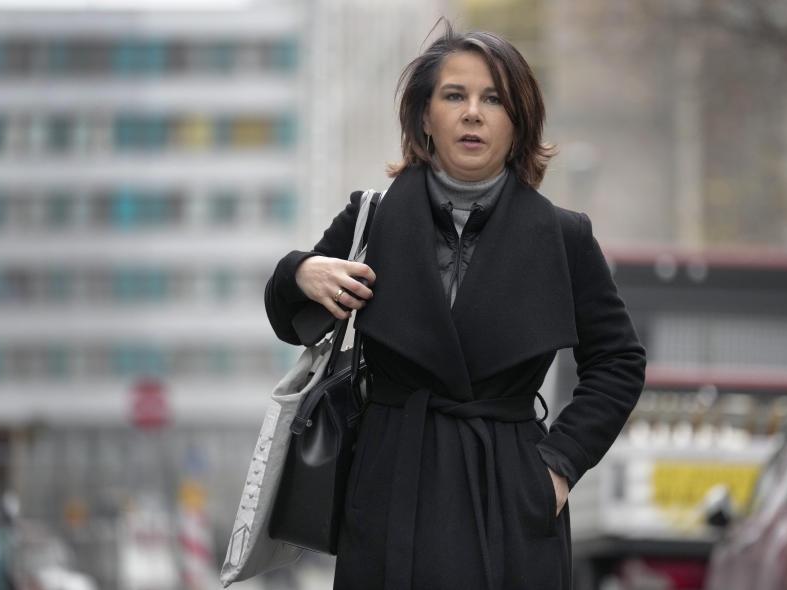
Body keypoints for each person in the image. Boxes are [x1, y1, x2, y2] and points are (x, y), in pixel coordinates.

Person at [264, 22, 646, 590]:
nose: (473, 113)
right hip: (393, 482)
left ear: (519, 123)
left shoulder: (564, 238)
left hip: (509, 492)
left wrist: (556, 469)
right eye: (454, 95)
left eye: (493, 99)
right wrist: (299, 270)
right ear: (425, 117)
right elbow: (288, 319)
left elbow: (618, 362)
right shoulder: (372, 218)